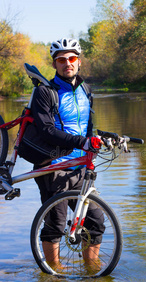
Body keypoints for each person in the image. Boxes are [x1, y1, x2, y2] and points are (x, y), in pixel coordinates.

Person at [31, 38, 105, 268]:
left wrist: (101, 137)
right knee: (56, 223)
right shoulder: (44, 92)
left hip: (81, 167)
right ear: (54, 65)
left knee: (95, 220)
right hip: (53, 165)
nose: (67, 63)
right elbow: (46, 130)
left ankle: (91, 270)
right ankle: (54, 274)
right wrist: (82, 142)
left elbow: (87, 127)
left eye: (71, 58)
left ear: (79, 62)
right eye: (61, 60)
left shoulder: (86, 90)